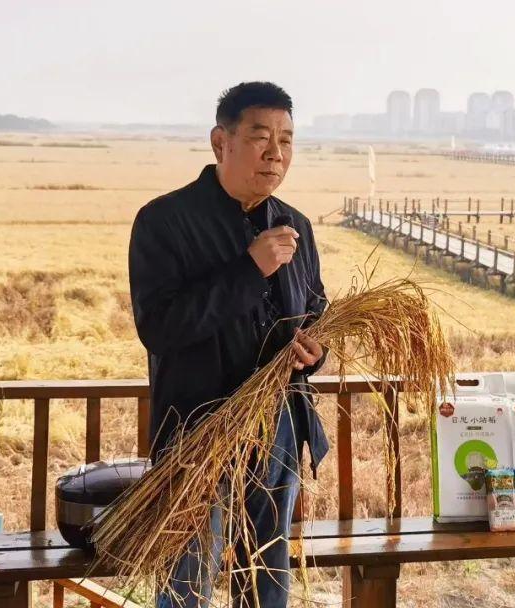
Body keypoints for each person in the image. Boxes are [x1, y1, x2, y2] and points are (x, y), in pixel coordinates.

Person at [128, 81, 329, 608]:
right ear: (221, 142)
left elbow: (316, 313)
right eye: (260, 137)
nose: (275, 153)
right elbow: (160, 327)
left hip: (278, 428)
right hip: (195, 431)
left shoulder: (296, 225)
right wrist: (250, 268)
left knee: (265, 571)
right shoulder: (165, 221)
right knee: (187, 575)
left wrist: (315, 352)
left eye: (286, 140)